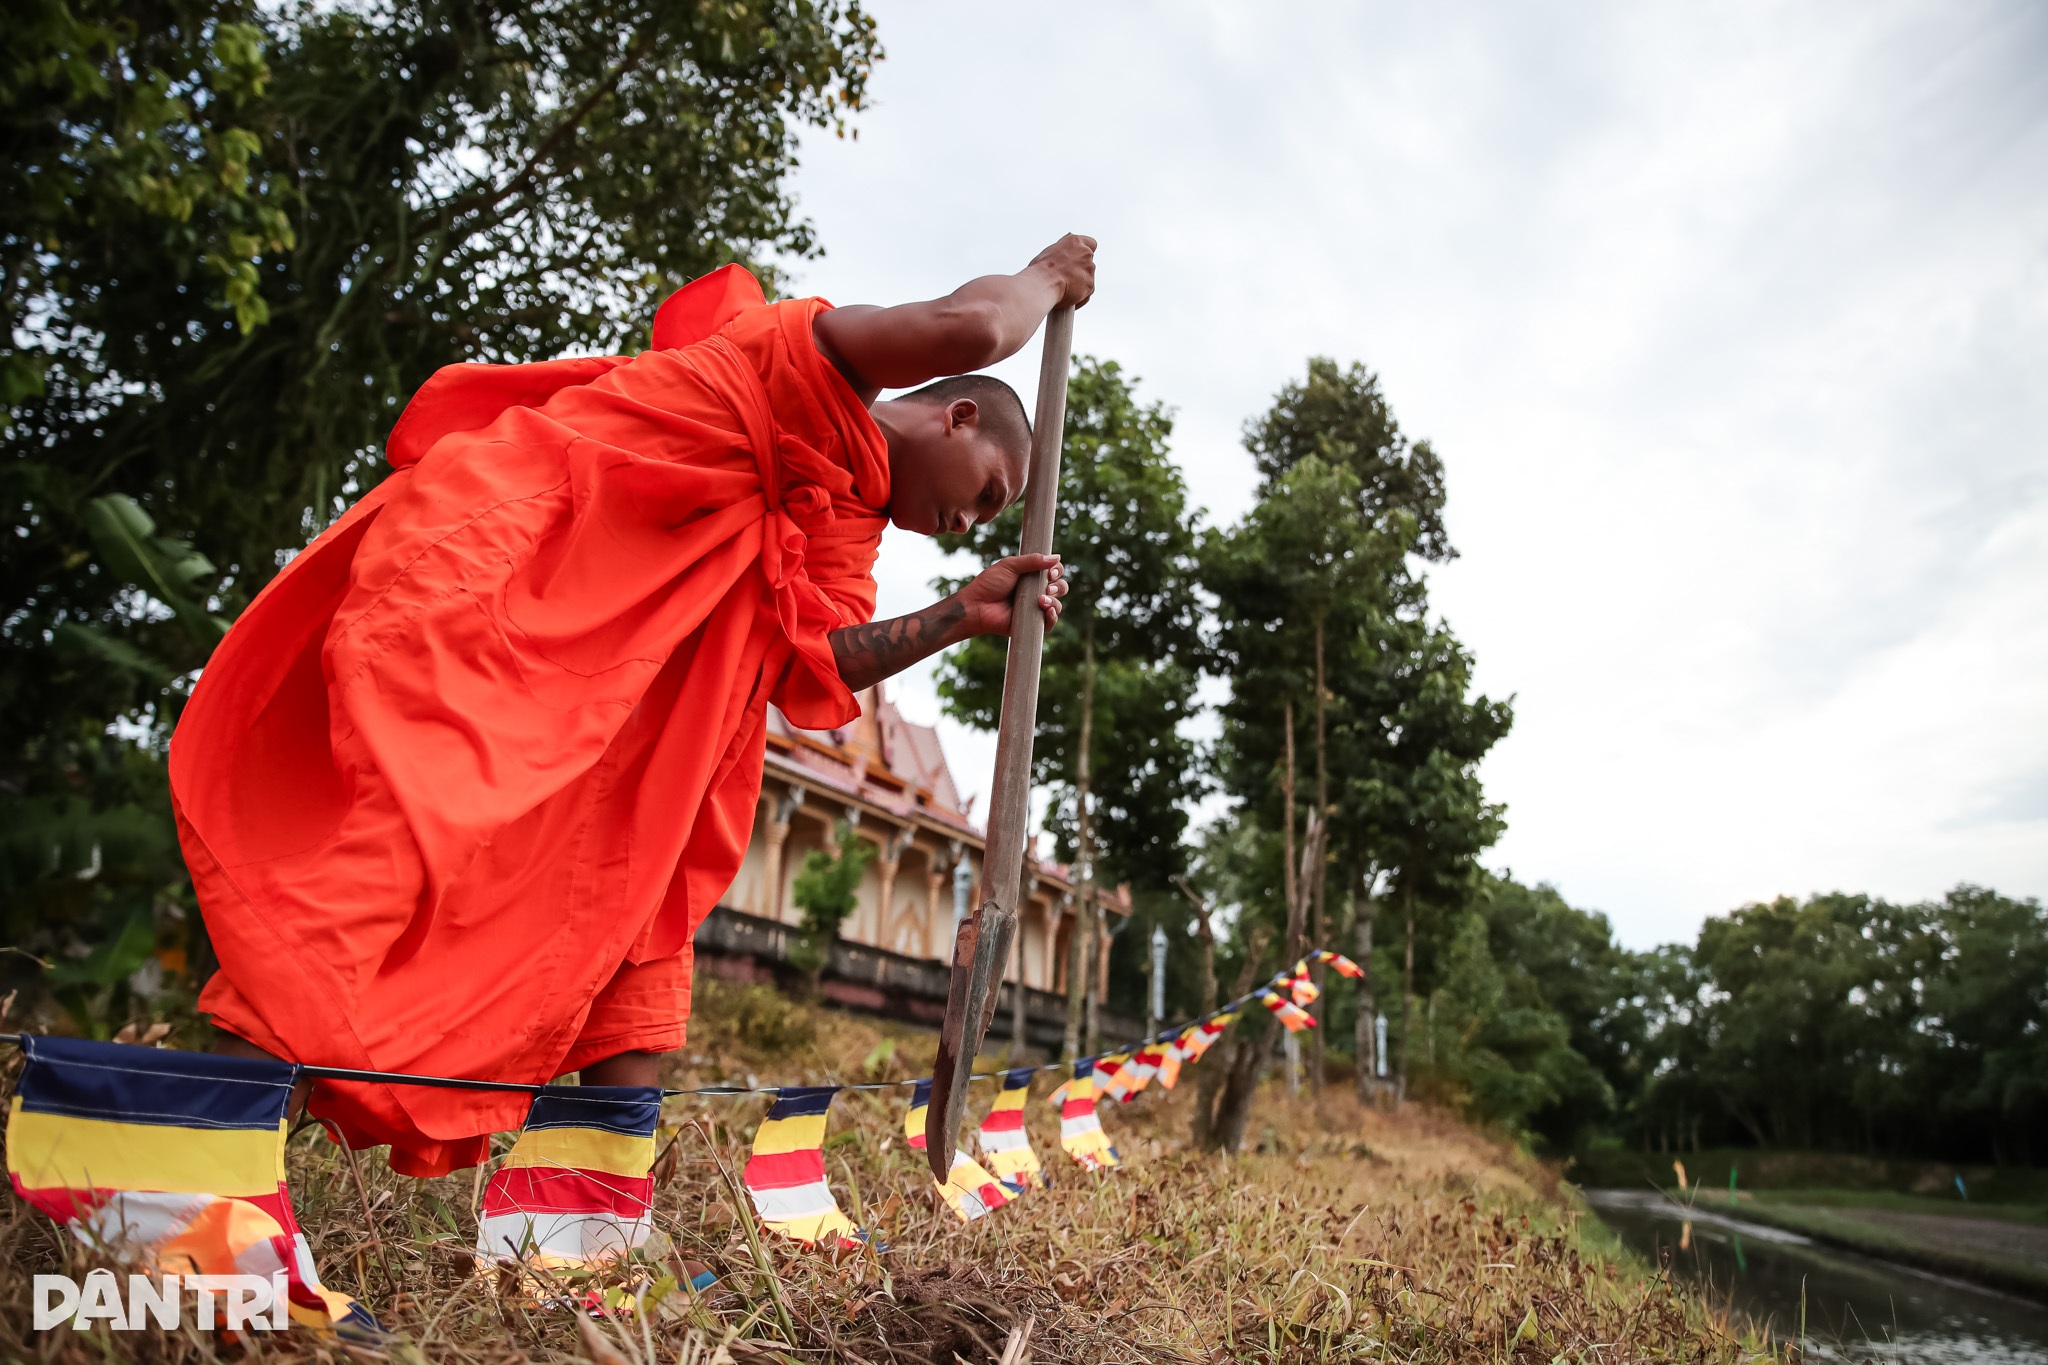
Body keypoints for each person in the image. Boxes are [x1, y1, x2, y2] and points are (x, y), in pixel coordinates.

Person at [170, 234, 1096, 1178]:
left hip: (632, 724)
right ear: (958, 415)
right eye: (986, 493)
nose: (967, 524)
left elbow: (803, 665)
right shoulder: (808, 356)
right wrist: (1046, 280)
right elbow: (974, 325)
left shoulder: (847, 523)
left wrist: (960, 613)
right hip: (510, 602)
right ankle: (189, 1167)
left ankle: (586, 1229)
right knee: (401, 851)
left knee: (637, 927)